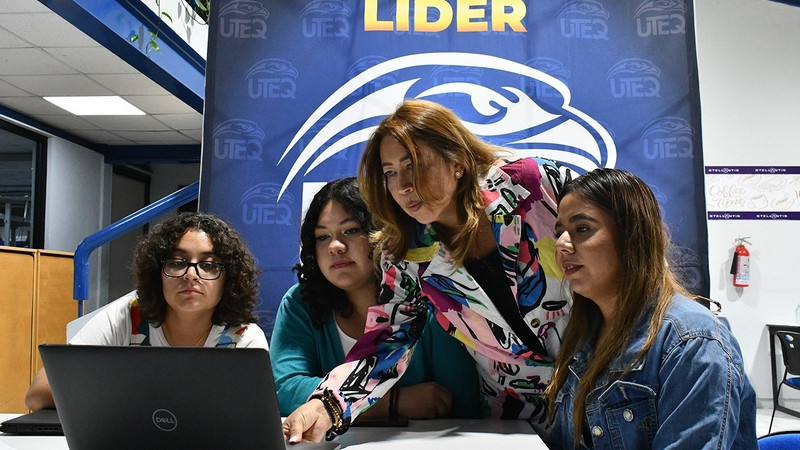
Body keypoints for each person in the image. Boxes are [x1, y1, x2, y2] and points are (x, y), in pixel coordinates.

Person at [283, 99, 573, 443]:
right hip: (520, 416)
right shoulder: (405, 251)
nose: (403, 185)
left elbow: (618, 248)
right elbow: (389, 337)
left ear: (457, 161)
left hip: (605, 381)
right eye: (390, 172)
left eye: (414, 165)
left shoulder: (533, 183)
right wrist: (327, 404)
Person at [544, 168, 757, 449]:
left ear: (632, 236)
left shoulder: (693, 342)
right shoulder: (586, 331)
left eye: (582, 229)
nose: (561, 245)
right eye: (560, 232)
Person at [270, 177, 481, 421]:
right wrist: (394, 403)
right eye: (322, 237)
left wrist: (328, 408)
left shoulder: (430, 298)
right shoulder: (300, 302)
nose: (335, 246)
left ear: (382, 234)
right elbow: (284, 392)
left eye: (350, 231)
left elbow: (457, 402)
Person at [24, 212, 268, 411]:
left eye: (208, 265)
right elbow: (38, 393)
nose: (190, 275)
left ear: (228, 279)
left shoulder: (245, 337)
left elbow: (254, 418)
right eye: (177, 262)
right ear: (157, 272)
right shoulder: (127, 317)